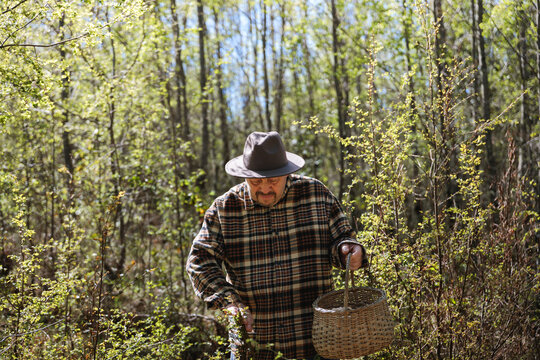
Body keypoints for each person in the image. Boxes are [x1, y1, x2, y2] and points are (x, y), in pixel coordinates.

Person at [186, 131, 367, 360]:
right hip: (254, 345)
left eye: (273, 181)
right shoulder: (224, 209)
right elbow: (199, 261)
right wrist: (229, 303)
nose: (264, 189)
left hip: (317, 342)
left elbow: (342, 238)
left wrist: (349, 251)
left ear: (287, 174)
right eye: (256, 182)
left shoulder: (316, 195)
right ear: (244, 176)